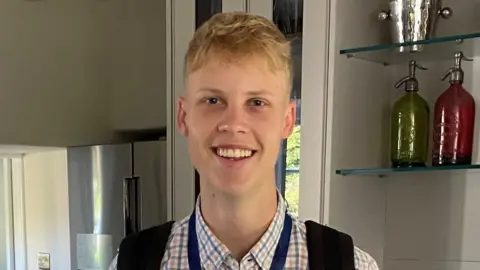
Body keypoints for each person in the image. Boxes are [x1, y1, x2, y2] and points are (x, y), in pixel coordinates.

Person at [108, 11, 379, 270]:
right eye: (212, 100)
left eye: (257, 102)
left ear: (287, 120)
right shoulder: (132, 263)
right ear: (184, 116)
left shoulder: (351, 265)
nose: (234, 124)